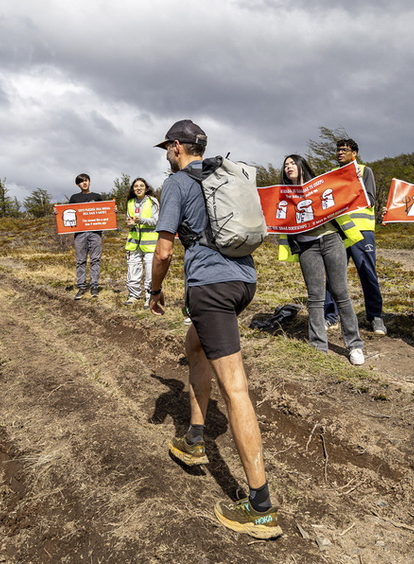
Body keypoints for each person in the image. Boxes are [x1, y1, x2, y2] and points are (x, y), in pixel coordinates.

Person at [150, 119, 282, 539]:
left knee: (236, 389)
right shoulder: (223, 176)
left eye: (167, 149)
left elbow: (165, 249)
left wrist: (154, 290)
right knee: (194, 347)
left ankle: (260, 507)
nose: (167, 155)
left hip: (210, 287)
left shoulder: (175, 183)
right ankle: (193, 437)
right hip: (244, 281)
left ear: (176, 147)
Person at [281, 154, 366, 365]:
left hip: (331, 241)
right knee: (315, 297)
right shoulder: (282, 195)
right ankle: (318, 346)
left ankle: (354, 345)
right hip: (307, 247)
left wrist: (354, 177)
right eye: (285, 165)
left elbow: (346, 190)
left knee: (340, 293)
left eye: (292, 163)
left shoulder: (321, 185)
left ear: (302, 166)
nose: (288, 167)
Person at [323, 138, 387, 336]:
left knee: (367, 273)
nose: (340, 153)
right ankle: (329, 316)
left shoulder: (365, 171)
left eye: (344, 150)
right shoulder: (331, 176)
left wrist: (354, 180)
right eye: (338, 150)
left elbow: (369, 199)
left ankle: (375, 316)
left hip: (361, 231)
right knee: (333, 275)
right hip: (338, 232)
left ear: (355, 153)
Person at [123, 178, 159, 307]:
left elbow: (156, 221)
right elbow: (129, 220)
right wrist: (130, 223)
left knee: (150, 272)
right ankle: (133, 295)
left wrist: (141, 220)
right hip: (133, 243)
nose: (138, 188)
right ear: (133, 189)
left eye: (141, 186)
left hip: (150, 244)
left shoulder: (152, 201)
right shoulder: (130, 202)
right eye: (136, 186)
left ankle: (149, 297)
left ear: (146, 188)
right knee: (133, 270)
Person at [69, 174, 104, 300]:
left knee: (95, 259)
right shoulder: (74, 198)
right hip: (80, 234)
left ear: (89, 182)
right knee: (80, 260)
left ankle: (94, 286)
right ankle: (81, 286)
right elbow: (68, 213)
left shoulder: (97, 197)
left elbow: (104, 211)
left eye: (86, 180)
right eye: (81, 181)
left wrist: (112, 211)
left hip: (95, 233)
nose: (84, 183)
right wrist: (58, 214)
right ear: (78, 184)